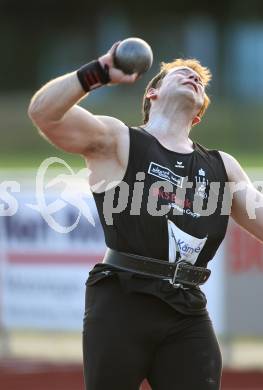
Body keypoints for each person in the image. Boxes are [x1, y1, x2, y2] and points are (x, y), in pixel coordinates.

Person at [28, 41, 263, 390]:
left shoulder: (221, 166)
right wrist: (98, 73)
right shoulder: (119, 140)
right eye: (181, 73)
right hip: (122, 300)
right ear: (152, 92)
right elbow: (44, 114)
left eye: (199, 79)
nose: (193, 76)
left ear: (198, 114)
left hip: (187, 309)